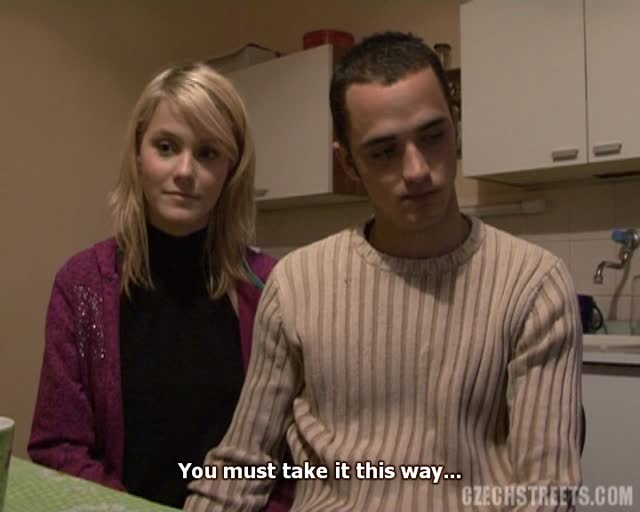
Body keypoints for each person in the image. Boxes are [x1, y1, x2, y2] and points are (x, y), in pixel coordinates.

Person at [185, 32, 583, 511]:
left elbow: (546, 490)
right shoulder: (295, 285)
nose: (416, 170)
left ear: (456, 129)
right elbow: (241, 466)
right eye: (383, 152)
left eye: (433, 136)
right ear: (348, 163)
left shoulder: (534, 285)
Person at [28, 62, 292, 510]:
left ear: (231, 169)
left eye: (208, 153)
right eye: (166, 147)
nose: (185, 170)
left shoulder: (273, 288)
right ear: (138, 153)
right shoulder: (81, 286)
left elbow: (291, 459)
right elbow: (59, 446)